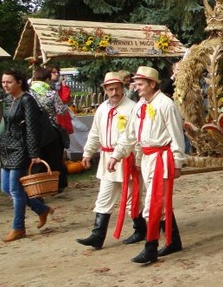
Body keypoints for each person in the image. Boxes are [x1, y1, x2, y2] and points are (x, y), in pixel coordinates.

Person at [107, 66, 186, 264]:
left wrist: (177, 162)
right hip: (148, 159)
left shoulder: (166, 104)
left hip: (162, 158)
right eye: (136, 83)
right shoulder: (140, 105)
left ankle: (150, 247)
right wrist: (116, 155)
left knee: (153, 204)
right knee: (158, 202)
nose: (137, 87)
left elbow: (177, 136)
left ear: (152, 84)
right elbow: (130, 135)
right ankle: (174, 240)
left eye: (141, 84)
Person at [77, 72, 141, 250]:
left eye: (117, 88)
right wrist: (87, 153)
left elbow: (134, 136)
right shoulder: (102, 109)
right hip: (107, 159)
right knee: (103, 197)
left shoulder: (132, 107)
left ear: (123, 88)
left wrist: (136, 159)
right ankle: (97, 236)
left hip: (127, 158)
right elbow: (95, 133)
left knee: (131, 199)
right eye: (110, 89)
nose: (114, 92)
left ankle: (141, 228)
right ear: (105, 90)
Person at [0, 69, 54, 242]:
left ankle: (18, 227)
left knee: (15, 190)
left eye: (9, 82)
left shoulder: (27, 100)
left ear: (19, 82)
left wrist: (34, 153)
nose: (5, 85)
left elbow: (32, 128)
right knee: (6, 188)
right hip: (7, 149)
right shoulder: (9, 100)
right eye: (3, 82)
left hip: (21, 149)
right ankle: (41, 209)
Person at [31, 67, 69, 192]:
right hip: (51, 129)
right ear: (47, 79)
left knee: (37, 158)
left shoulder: (28, 93)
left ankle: (37, 186)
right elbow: (61, 111)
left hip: (34, 130)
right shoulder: (51, 93)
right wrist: (66, 107)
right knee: (55, 158)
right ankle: (57, 185)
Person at [50, 66, 74, 135]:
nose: (57, 74)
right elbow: (63, 99)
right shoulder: (49, 87)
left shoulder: (60, 85)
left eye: (58, 72)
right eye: (54, 72)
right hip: (54, 118)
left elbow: (66, 99)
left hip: (61, 117)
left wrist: (64, 86)